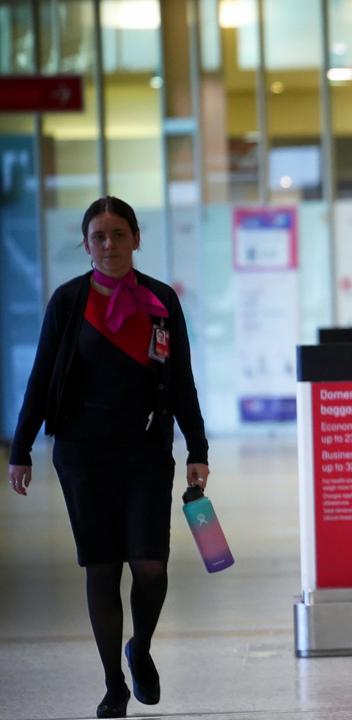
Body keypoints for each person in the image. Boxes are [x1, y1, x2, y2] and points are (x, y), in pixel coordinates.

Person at [7, 196, 210, 719]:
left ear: (136, 238)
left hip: (145, 449)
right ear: (86, 244)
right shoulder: (69, 302)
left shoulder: (161, 301)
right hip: (81, 453)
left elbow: (181, 378)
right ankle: (113, 684)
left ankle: (139, 648)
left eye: (119, 234)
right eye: (99, 236)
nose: (110, 245)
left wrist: (197, 447)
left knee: (150, 564)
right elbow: (41, 377)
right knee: (101, 567)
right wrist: (21, 448)